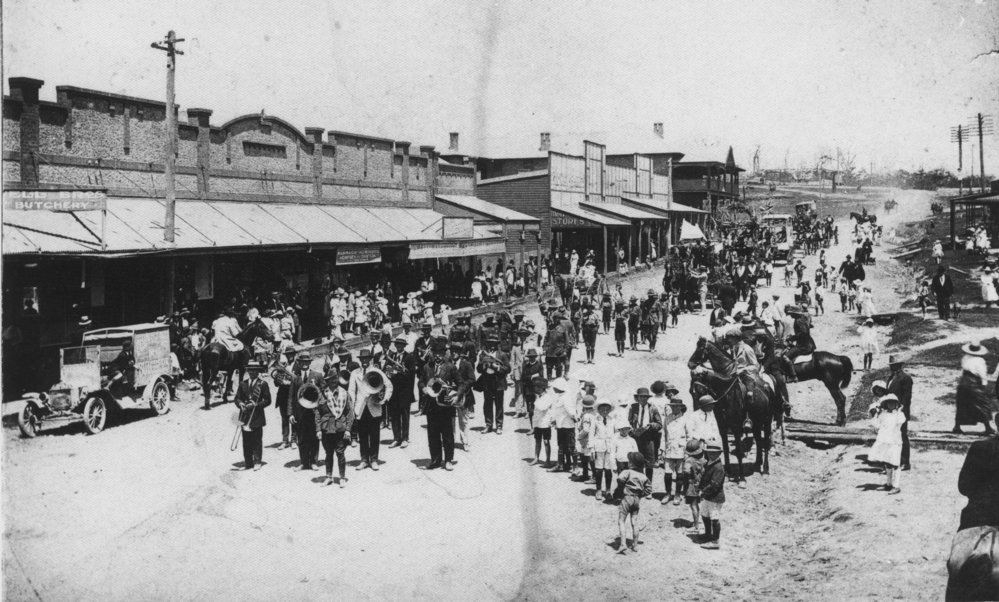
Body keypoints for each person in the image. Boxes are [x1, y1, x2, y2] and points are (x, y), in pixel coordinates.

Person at [946, 411, 999, 600]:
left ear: (997, 420)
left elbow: (965, 486)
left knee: (959, 582)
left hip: (977, 523)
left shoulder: (981, 448)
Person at [421, 336, 462, 470]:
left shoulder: (451, 367)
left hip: (445, 406)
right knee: (433, 435)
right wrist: (423, 388)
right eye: (435, 353)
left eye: (440, 353)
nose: (437, 355)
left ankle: (448, 460)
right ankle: (435, 460)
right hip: (431, 406)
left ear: (444, 354)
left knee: (447, 434)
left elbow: (461, 383)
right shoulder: (427, 367)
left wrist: (456, 395)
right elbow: (421, 381)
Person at [349, 349, 392, 470]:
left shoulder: (376, 371)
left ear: (370, 359)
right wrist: (352, 405)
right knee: (362, 435)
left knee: (374, 434)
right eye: (362, 359)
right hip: (361, 407)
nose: (364, 361)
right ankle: (364, 460)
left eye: (367, 359)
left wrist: (384, 400)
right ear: (360, 360)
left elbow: (389, 385)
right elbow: (351, 391)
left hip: (374, 406)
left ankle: (374, 459)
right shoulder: (354, 373)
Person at [316, 370, 354, 487]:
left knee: (340, 453)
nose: (333, 382)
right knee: (328, 453)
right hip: (326, 428)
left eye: (335, 379)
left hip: (340, 428)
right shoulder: (322, 394)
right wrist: (318, 430)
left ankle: (342, 477)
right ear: (327, 381)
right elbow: (318, 413)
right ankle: (329, 477)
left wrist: (348, 429)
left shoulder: (344, 393)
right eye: (330, 380)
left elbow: (350, 413)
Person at [288, 352, 324, 471]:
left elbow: (324, 392)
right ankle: (303, 462)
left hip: (314, 412)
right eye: (302, 362)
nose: (304, 364)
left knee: (314, 437)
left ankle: (313, 461)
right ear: (299, 363)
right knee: (301, 438)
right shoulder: (295, 377)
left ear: (310, 363)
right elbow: (291, 397)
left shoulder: (317, 375)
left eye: (306, 362)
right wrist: (291, 413)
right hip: (300, 413)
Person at [953, 342, 998, 436]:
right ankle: (988, 428)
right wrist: (984, 384)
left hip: (963, 382)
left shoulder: (965, 357)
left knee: (962, 404)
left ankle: (957, 426)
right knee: (982, 404)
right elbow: (982, 374)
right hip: (974, 383)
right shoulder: (979, 360)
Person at [234, 361, 271, 471]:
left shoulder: (263, 384)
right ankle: (248, 463)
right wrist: (240, 404)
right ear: (247, 371)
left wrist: (257, 405)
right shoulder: (242, 383)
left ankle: (258, 461)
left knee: (257, 440)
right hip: (244, 416)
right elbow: (237, 398)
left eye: (254, 370)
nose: (252, 372)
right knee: (246, 441)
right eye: (250, 370)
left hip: (257, 416)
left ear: (258, 372)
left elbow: (268, 400)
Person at [614, 451, 652, 555]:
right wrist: (640, 494)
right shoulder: (643, 476)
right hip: (637, 500)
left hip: (627, 498)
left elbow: (620, 479)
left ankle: (623, 544)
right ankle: (635, 545)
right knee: (634, 522)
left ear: (631, 463)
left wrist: (619, 491)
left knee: (621, 521)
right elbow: (649, 489)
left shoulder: (627, 472)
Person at [383, 335, 417, 449]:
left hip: (405, 391)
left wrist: (399, 372)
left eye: (401, 345)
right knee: (394, 415)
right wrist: (389, 372)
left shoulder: (409, 357)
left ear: (404, 346)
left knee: (405, 416)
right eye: (397, 345)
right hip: (394, 391)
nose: (399, 347)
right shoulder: (392, 356)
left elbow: (411, 374)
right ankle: (396, 438)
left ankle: (405, 438)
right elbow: (387, 372)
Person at [868, 393, 906, 494]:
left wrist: (898, 411)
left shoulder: (899, 415)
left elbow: (901, 421)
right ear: (886, 404)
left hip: (895, 441)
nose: (891, 405)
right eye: (889, 403)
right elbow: (876, 425)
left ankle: (896, 486)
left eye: (893, 403)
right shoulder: (883, 415)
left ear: (896, 404)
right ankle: (888, 483)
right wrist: (874, 415)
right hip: (885, 441)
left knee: (895, 463)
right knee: (887, 462)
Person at [628, 387, 662, 491]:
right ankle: (638, 486)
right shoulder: (633, 407)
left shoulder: (653, 408)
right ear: (637, 398)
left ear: (648, 398)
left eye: (645, 397)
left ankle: (648, 487)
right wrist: (632, 430)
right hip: (636, 438)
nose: (643, 399)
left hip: (648, 438)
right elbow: (628, 421)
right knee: (636, 462)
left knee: (649, 464)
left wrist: (651, 425)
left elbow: (659, 424)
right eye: (640, 397)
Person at [476, 336, 511, 434]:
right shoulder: (483, 355)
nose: (491, 345)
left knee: (499, 405)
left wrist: (497, 368)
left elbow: (508, 369)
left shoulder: (502, 355)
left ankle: (499, 425)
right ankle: (488, 425)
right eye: (489, 343)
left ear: (496, 344)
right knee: (487, 404)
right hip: (487, 382)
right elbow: (478, 369)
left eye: (493, 343)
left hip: (499, 382)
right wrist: (483, 366)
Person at [662, 398, 689, 505]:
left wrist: (687, 451)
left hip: (681, 450)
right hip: (669, 449)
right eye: (672, 406)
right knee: (667, 474)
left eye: (676, 406)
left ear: (681, 407)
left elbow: (689, 435)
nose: (674, 408)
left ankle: (677, 494)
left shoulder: (685, 419)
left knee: (680, 474)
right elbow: (664, 434)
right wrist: (661, 449)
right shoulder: (667, 418)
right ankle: (668, 493)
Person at [698, 442, 726, 549]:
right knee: (705, 515)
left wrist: (703, 491)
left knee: (714, 518)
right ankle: (708, 534)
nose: (711, 455)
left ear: (719, 454)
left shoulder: (718, 467)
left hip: (715, 497)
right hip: (708, 496)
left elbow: (715, 485)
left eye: (714, 453)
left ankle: (715, 541)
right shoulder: (708, 463)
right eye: (709, 452)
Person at [549, 378, 577, 473]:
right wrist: (554, 420)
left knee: (571, 446)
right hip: (560, 425)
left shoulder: (566, 397)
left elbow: (571, 412)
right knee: (561, 446)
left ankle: (575, 467)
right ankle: (561, 464)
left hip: (568, 426)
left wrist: (575, 418)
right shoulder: (559, 397)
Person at [592, 400, 617, 501]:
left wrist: (615, 448)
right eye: (602, 409)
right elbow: (591, 435)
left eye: (607, 409)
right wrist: (592, 449)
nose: (605, 411)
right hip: (599, 446)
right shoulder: (595, 420)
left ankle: (607, 490)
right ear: (598, 410)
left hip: (610, 447)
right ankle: (598, 489)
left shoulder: (612, 420)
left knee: (608, 469)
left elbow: (616, 434)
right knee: (598, 469)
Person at [682, 440, 707, 537]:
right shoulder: (703, 459)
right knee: (696, 504)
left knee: (693, 506)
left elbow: (686, 471)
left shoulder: (689, 460)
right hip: (700, 484)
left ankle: (696, 525)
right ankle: (697, 522)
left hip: (691, 485)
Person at [531, 376, 555, 466]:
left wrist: (536, 401)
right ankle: (536, 458)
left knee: (546, 441)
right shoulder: (538, 397)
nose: (535, 389)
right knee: (537, 441)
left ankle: (547, 460)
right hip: (538, 423)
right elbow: (535, 412)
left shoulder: (548, 397)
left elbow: (542, 408)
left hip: (545, 423)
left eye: (536, 387)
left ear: (541, 388)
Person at [576, 395, 597, 482]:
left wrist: (579, 436)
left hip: (586, 439)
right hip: (593, 438)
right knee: (588, 457)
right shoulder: (595, 413)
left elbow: (585, 429)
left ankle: (592, 476)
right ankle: (587, 474)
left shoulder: (587, 415)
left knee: (587, 458)